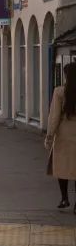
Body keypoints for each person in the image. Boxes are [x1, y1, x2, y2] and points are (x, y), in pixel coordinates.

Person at [45, 62, 76, 211]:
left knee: (62, 167)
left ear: (66, 75)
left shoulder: (59, 92)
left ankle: (64, 198)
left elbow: (54, 117)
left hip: (64, 135)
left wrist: (49, 136)